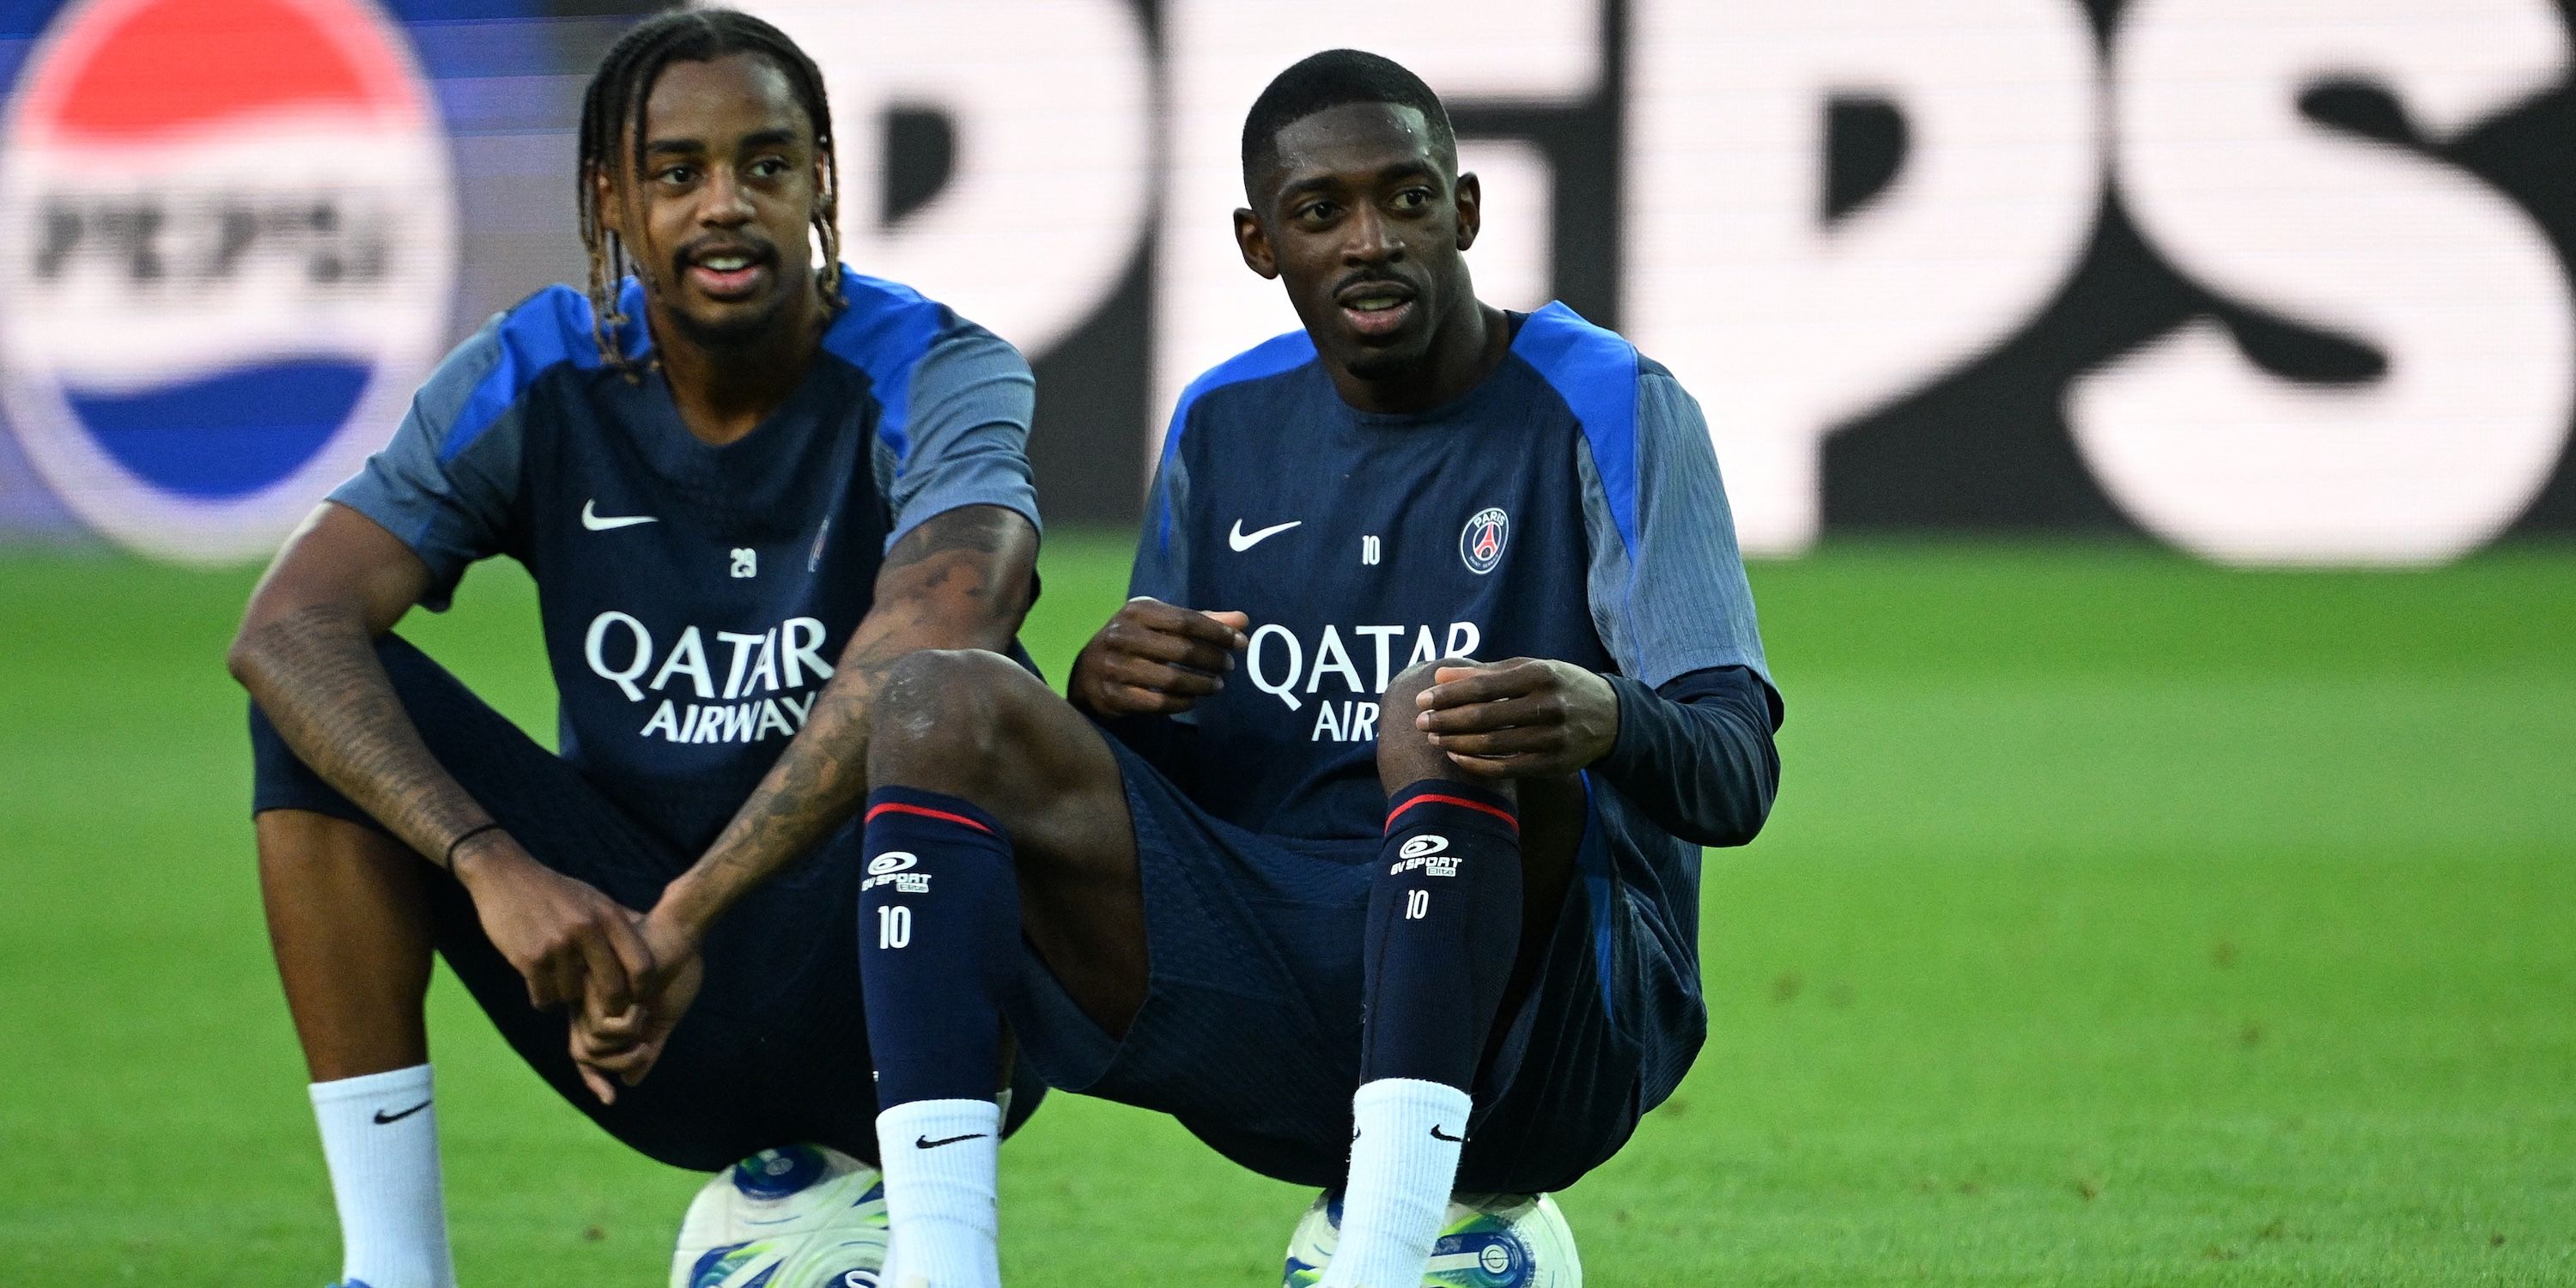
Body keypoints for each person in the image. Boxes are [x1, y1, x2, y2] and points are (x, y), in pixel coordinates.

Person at [597, 46, 1783, 1288]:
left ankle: (1381, 1259)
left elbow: (1735, 773)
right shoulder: (1223, 421)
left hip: (1543, 1032)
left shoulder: (1613, 403)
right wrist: (1107, 699)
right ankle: (940, 1265)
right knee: (938, 700)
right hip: (1284, 1001)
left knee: (1437, 712)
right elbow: (1179, 797)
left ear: (1466, 210)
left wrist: (1604, 717)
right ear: (1260, 243)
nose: (1371, 239)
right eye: (1322, 212)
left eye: (1408, 198)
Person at [223, 12, 1046, 1288]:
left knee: (962, 694)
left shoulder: (940, 366)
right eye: (678, 173)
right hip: (633, 1010)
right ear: (611, 196)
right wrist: (491, 865)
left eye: (767, 166)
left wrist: (691, 915)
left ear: (823, 177)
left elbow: (955, 611)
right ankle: (392, 1269)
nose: (726, 205)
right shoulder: (532, 369)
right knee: (314, 699)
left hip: (902, 992)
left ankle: (945, 1259)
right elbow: (286, 624)